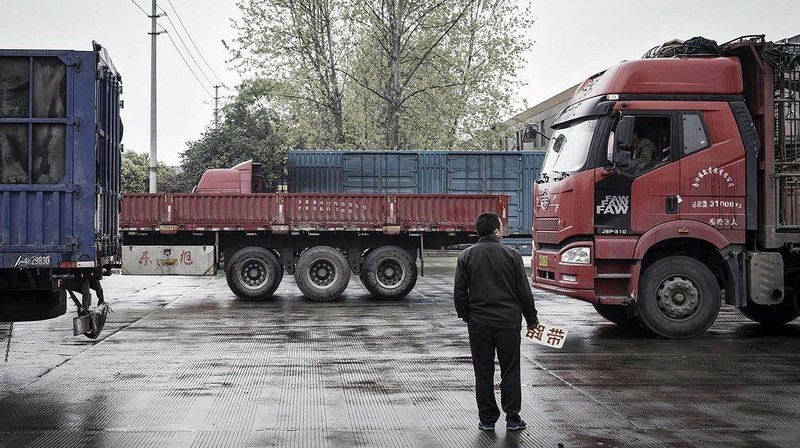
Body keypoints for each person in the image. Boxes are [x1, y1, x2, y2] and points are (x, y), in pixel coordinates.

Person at [453, 212, 539, 432]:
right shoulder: (512, 255)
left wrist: (467, 316)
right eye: (501, 227)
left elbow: (460, 293)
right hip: (508, 323)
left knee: (483, 372)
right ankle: (512, 419)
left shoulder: (466, 256)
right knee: (510, 370)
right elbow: (524, 292)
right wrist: (532, 320)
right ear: (496, 231)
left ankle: (487, 420)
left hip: (479, 324)